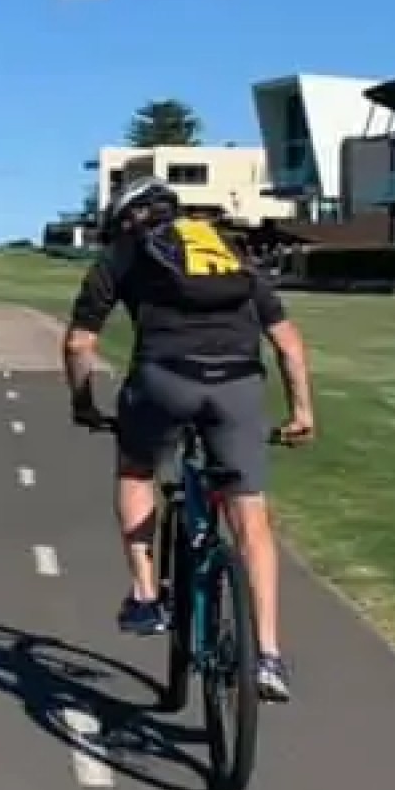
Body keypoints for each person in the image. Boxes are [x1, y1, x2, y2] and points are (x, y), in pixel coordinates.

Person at [61, 176, 316, 701]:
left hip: (165, 380)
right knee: (251, 520)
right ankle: (268, 654)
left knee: (136, 469)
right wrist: (302, 411)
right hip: (239, 385)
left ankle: (147, 595)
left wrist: (83, 402)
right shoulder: (227, 246)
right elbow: (288, 343)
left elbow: (79, 342)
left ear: (127, 220)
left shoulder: (127, 252)